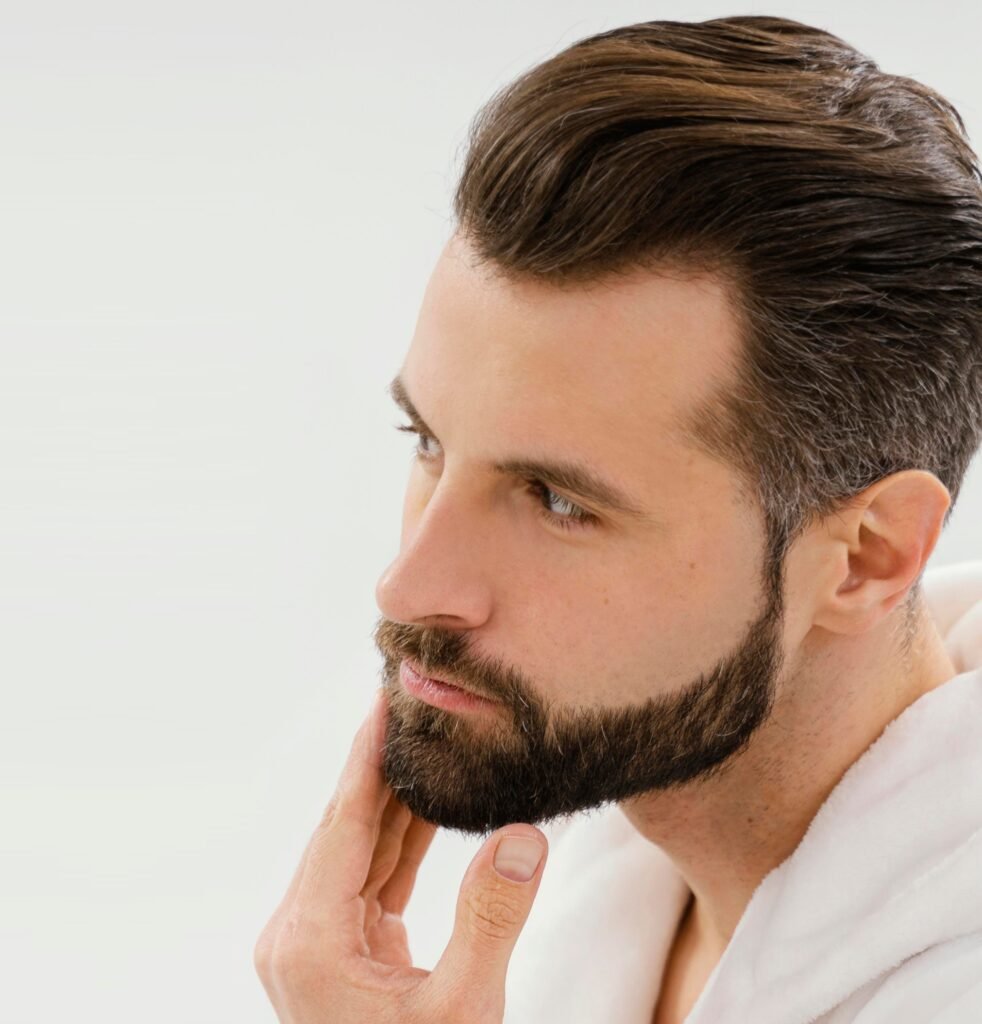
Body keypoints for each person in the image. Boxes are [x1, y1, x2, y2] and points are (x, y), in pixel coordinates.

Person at [254, 15, 982, 1023]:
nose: (407, 586)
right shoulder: (607, 883)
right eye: (427, 442)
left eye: (557, 500)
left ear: (865, 556)